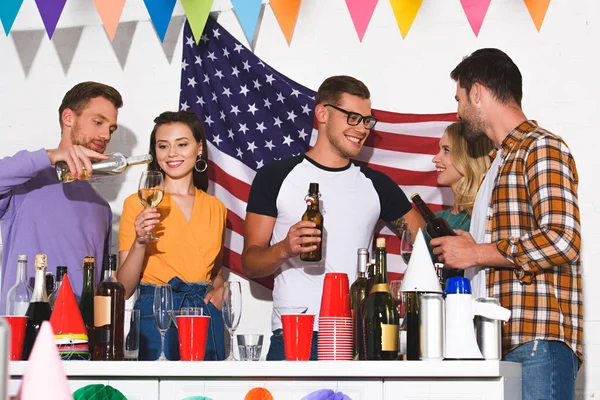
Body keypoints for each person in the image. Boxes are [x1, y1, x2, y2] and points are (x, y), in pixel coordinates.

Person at [430, 48, 582, 400]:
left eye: (460, 98)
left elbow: (563, 240)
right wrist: (472, 243)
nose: (458, 110)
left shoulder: (541, 147)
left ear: (478, 92)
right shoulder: (499, 162)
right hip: (503, 343)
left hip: (535, 342)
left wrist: (477, 252)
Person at [242, 75, 424, 360]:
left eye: (367, 121)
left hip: (359, 335)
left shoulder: (376, 184)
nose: (361, 128)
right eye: (352, 117)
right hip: (296, 332)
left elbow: (426, 245)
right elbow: (250, 263)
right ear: (322, 113)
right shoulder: (275, 176)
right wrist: (285, 248)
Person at [0, 82, 122, 308]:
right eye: (98, 122)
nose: (105, 135)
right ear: (68, 118)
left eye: (111, 129)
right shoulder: (24, 185)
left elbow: (97, 287)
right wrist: (51, 155)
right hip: (23, 330)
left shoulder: (101, 208)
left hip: (79, 336)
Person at [118, 111, 226, 361]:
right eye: (163, 146)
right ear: (155, 152)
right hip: (155, 315)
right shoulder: (137, 204)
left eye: (182, 144)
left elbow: (214, 273)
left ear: (199, 148)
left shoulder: (216, 208)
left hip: (204, 315)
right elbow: (123, 288)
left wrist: (222, 291)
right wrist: (140, 241)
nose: (172, 153)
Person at [424, 122, 493, 280]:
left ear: (469, 157)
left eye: (446, 150)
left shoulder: (487, 218)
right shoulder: (433, 222)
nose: (435, 158)